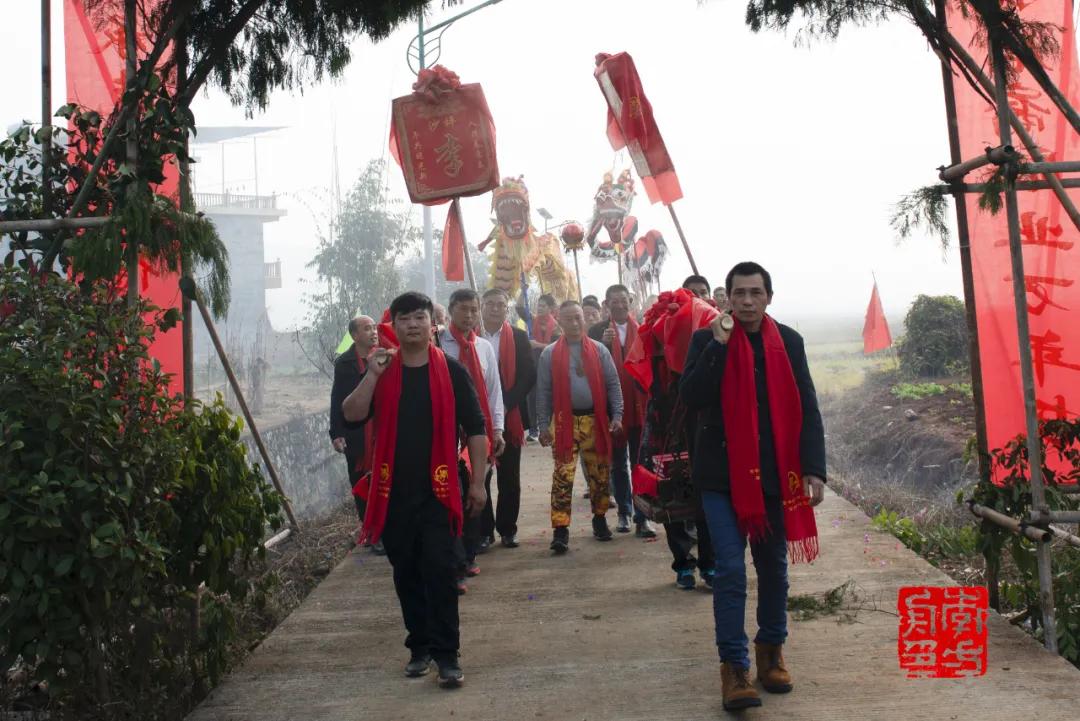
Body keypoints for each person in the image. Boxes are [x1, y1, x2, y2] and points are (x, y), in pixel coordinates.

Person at [680, 262, 826, 711]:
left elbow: (806, 406)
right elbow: (692, 396)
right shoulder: (706, 340)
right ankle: (735, 667)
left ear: (768, 297)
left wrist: (814, 469)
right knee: (729, 569)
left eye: (755, 293)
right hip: (722, 478)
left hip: (776, 476)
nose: (746, 301)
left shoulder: (789, 343)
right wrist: (718, 346)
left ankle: (771, 651)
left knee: (773, 569)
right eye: (738, 293)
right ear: (726, 298)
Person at [342, 291, 488, 688]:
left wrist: (478, 483)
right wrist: (372, 375)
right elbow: (351, 415)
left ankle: (447, 655)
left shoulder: (452, 371)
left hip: (440, 491)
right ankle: (419, 647)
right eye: (403, 318)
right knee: (406, 572)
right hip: (392, 492)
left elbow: (476, 428)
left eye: (419, 317)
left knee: (441, 571)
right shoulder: (382, 369)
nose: (412, 325)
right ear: (394, 325)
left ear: (431, 324)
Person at [536, 301, 623, 553]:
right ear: (559, 322)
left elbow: (613, 385)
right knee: (562, 476)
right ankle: (560, 529)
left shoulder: (599, 350)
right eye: (568, 319)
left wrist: (617, 415)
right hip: (563, 422)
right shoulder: (549, 353)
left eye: (578, 318)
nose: (574, 323)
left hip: (596, 421)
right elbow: (543, 392)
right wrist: (543, 425)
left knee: (600, 474)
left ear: (583, 319)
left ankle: (600, 519)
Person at [438, 289, 505, 591]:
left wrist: (498, 429)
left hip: (478, 431)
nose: (469, 315)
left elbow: (494, 392)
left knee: (478, 488)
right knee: (453, 491)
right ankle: (456, 558)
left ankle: (470, 551)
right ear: (451, 310)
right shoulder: (438, 344)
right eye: (463, 309)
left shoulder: (484, 347)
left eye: (473, 310)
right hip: (448, 432)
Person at [588, 285, 655, 538]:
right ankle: (624, 512)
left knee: (640, 463)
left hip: (640, 406)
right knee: (617, 464)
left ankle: (642, 517)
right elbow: (591, 366)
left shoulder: (645, 329)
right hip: (613, 408)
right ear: (606, 304)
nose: (619, 305)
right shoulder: (596, 332)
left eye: (623, 300)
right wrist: (603, 346)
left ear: (630, 301)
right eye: (614, 301)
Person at [480, 288, 537, 548]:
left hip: (510, 415)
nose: (495, 308)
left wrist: (504, 403)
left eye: (500, 304)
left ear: (507, 308)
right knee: (480, 476)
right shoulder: (472, 336)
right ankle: (483, 532)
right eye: (490, 303)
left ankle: (507, 529)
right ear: (482, 306)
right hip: (477, 417)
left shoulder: (518, 336)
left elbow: (528, 375)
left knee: (509, 477)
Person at [329, 315, 385, 552]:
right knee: (361, 482)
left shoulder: (384, 356)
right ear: (354, 335)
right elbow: (337, 399)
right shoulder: (345, 363)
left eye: (374, 328)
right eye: (367, 329)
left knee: (385, 481)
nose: (373, 332)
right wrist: (336, 433)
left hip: (383, 428)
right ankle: (371, 531)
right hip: (356, 432)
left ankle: (387, 529)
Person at [526, 293, 560, 442]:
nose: (539, 308)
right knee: (532, 396)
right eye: (538, 305)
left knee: (549, 395)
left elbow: (557, 347)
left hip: (550, 364)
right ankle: (533, 429)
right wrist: (521, 287)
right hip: (534, 364)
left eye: (543, 306)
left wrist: (537, 345)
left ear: (550, 308)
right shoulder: (533, 320)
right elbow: (520, 307)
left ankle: (551, 426)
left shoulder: (557, 326)